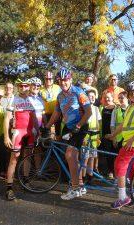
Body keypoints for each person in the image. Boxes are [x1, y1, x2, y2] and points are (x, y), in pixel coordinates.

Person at [45, 68, 92, 200]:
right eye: (60, 81)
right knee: (72, 158)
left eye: (65, 80)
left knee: (69, 155)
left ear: (70, 80)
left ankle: (75, 188)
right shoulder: (60, 96)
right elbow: (56, 113)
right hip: (68, 128)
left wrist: (78, 126)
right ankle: (80, 186)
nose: (63, 83)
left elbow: (89, 112)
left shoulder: (79, 92)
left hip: (80, 127)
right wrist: (47, 126)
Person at [106, 81, 134, 209]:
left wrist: (131, 140)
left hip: (132, 144)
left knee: (119, 166)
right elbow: (123, 125)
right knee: (133, 170)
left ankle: (122, 198)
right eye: (131, 93)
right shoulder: (131, 107)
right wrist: (113, 135)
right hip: (133, 143)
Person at [3, 79, 37, 200]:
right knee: (14, 159)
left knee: (28, 157)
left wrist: (37, 131)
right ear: (18, 87)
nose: (23, 88)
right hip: (18, 131)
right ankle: (9, 187)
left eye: (26, 86)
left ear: (29, 87)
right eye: (21, 86)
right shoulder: (13, 99)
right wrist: (6, 136)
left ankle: (26, 182)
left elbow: (34, 117)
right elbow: (7, 119)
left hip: (30, 132)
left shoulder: (32, 100)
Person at [82, 89, 101, 183]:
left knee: (92, 157)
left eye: (94, 96)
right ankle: (83, 177)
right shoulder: (83, 108)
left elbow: (99, 122)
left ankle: (90, 176)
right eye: (90, 96)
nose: (92, 97)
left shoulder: (97, 109)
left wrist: (98, 136)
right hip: (86, 135)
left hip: (94, 136)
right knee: (84, 158)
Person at [99, 91, 116, 179]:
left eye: (109, 97)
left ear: (113, 98)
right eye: (105, 97)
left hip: (114, 134)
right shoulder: (102, 107)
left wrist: (114, 135)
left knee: (114, 153)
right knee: (107, 153)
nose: (107, 99)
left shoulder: (116, 108)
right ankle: (109, 171)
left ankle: (114, 171)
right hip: (104, 134)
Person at [40, 71, 62, 138]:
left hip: (57, 113)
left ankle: (58, 145)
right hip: (46, 114)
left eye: (50, 79)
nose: (48, 80)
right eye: (47, 79)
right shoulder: (40, 89)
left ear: (53, 79)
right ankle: (47, 147)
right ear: (44, 79)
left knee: (58, 132)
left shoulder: (58, 87)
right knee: (46, 133)